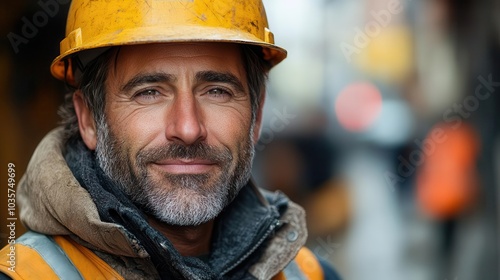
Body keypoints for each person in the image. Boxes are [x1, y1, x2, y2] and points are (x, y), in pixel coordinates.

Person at [0, 0, 341, 279]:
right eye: (149, 92)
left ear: (257, 115)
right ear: (89, 119)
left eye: (217, 91)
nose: (188, 128)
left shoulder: (309, 274)